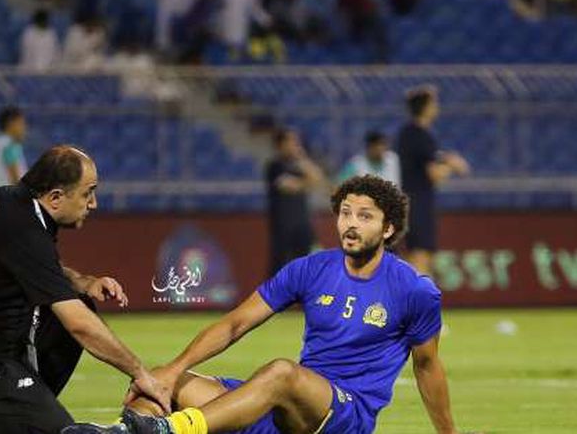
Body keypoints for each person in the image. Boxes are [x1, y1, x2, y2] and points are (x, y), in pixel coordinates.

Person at [111, 175, 463, 434]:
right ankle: (120, 432)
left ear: (388, 229)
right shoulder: (310, 269)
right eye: (345, 213)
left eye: (365, 216)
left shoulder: (414, 289)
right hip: (287, 409)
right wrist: (175, 370)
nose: (351, 224)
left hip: (344, 415)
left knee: (281, 372)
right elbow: (235, 323)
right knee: (158, 380)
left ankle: (172, 430)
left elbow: (427, 367)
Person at [0, 145, 171, 434]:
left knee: (80, 302)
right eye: (87, 192)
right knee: (57, 431)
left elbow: (36, 267)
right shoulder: (23, 227)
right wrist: (140, 372)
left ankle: (15, 409)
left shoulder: (14, 205)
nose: (93, 204)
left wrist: (84, 282)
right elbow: (80, 325)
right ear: (55, 198)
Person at [397, 87, 470, 276]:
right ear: (426, 107)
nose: (437, 108)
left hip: (408, 199)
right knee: (421, 255)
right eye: (434, 103)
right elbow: (434, 175)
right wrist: (452, 166)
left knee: (417, 255)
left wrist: (445, 158)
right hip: (419, 202)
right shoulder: (422, 135)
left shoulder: (407, 133)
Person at [264, 128, 325, 276]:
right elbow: (288, 186)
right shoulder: (275, 166)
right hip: (283, 226)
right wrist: (307, 183)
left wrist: (302, 160)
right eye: (291, 141)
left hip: (302, 224)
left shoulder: (299, 165)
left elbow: (318, 179)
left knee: (306, 265)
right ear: (281, 144)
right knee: (280, 266)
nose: (295, 145)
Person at [336, 130, 401, 187]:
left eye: (383, 145)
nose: (380, 149)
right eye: (377, 146)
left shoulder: (393, 160)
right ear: (369, 147)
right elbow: (339, 184)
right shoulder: (356, 164)